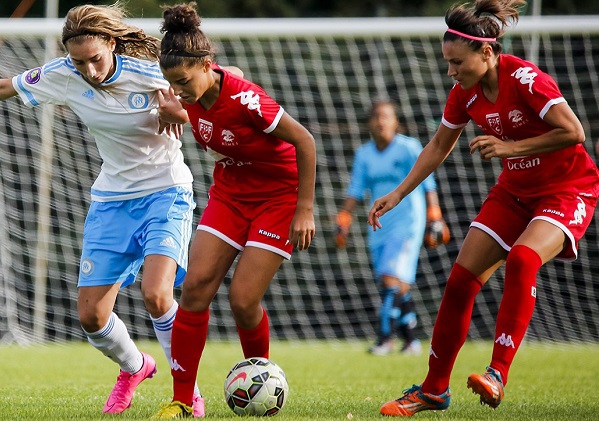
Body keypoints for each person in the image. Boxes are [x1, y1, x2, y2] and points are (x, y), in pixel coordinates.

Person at [368, 0, 599, 416]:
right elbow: (439, 145)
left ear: (487, 53)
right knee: (459, 282)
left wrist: (513, 148)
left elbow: (574, 131)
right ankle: (433, 390)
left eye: (457, 62)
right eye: (448, 63)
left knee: (524, 259)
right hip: (514, 191)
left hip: (566, 190)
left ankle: (497, 373)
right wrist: (399, 193)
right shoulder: (464, 94)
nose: (451, 71)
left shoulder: (527, 78)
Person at [0, 3, 207, 416]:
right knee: (92, 317)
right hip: (111, 202)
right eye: (79, 62)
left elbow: (225, 81)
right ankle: (135, 367)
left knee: (156, 293)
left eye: (95, 59)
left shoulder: (150, 70)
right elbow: (5, 86)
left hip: (166, 194)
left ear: (111, 44)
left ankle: (187, 393)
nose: (89, 71)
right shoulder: (62, 74)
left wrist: (181, 111)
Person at [150, 2, 316, 418]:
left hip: (279, 199)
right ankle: (182, 402)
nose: (179, 91)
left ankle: (262, 382)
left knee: (243, 300)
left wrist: (305, 210)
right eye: (172, 84)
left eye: (184, 82)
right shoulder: (193, 92)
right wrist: (182, 107)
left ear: (207, 64)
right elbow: (208, 95)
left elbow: (306, 141)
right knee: (194, 289)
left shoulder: (247, 100)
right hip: (230, 196)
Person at [336, 100, 449, 357]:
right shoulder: (364, 154)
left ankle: (384, 339)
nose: (381, 122)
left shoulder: (409, 148)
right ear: (369, 124)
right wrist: (344, 218)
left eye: (386, 117)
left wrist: (435, 215)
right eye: (376, 117)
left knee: (390, 279)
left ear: (396, 122)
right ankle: (411, 341)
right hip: (379, 223)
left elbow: (427, 181)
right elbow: (355, 189)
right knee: (398, 285)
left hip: (408, 220)